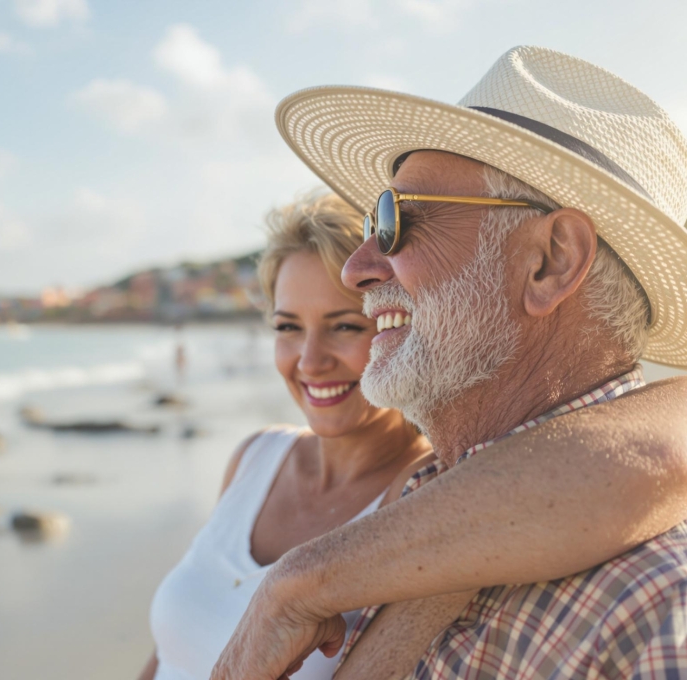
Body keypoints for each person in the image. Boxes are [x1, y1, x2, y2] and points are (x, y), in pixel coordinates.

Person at [212, 45, 687, 679]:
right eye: (371, 222)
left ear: (550, 261)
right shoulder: (419, 506)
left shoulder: (656, 610)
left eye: (395, 220)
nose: (357, 268)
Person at [143, 187, 687, 676]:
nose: (309, 360)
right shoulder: (266, 458)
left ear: (550, 259)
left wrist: (296, 586)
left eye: (346, 325)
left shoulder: (444, 505)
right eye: (287, 326)